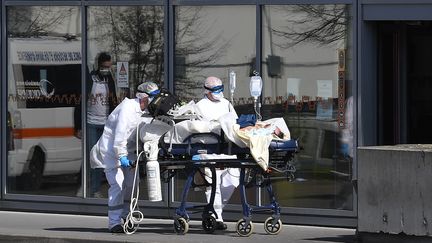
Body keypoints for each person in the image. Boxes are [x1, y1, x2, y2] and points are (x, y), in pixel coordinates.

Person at [90, 81, 160, 233]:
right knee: (118, 184)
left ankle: (127, 216)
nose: (156, 99)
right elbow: (119, 136)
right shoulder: (128, 108)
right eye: (153, 96)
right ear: (143, 97)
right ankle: (114, 223)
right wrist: (122, 156)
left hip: (130, 151)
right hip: (111, 151)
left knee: (131, 185)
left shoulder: (146, 111)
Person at [195, 76, 238, 230]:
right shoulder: (200, 106)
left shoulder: (226, 103)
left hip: (226, 147)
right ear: (207, 90)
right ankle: (216, 216)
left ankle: (217, 210)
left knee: (232, 181)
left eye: (221, 89)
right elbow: (199, 127)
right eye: (215, 90)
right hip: (208, 149)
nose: (219, 92)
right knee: (212, 184)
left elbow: (235, 121)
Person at [74, 52, 118, 198]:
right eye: (105, 67)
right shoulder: (90, 79)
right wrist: (78, 126)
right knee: (90, 156)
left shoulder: (109, 80)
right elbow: (79, 102)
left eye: (109, 67)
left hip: (105, 124)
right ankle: (84, 186)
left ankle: (95, 189)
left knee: (100, 157)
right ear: (99, 65)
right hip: (91, 123)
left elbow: (113, 101)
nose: (107, 69)